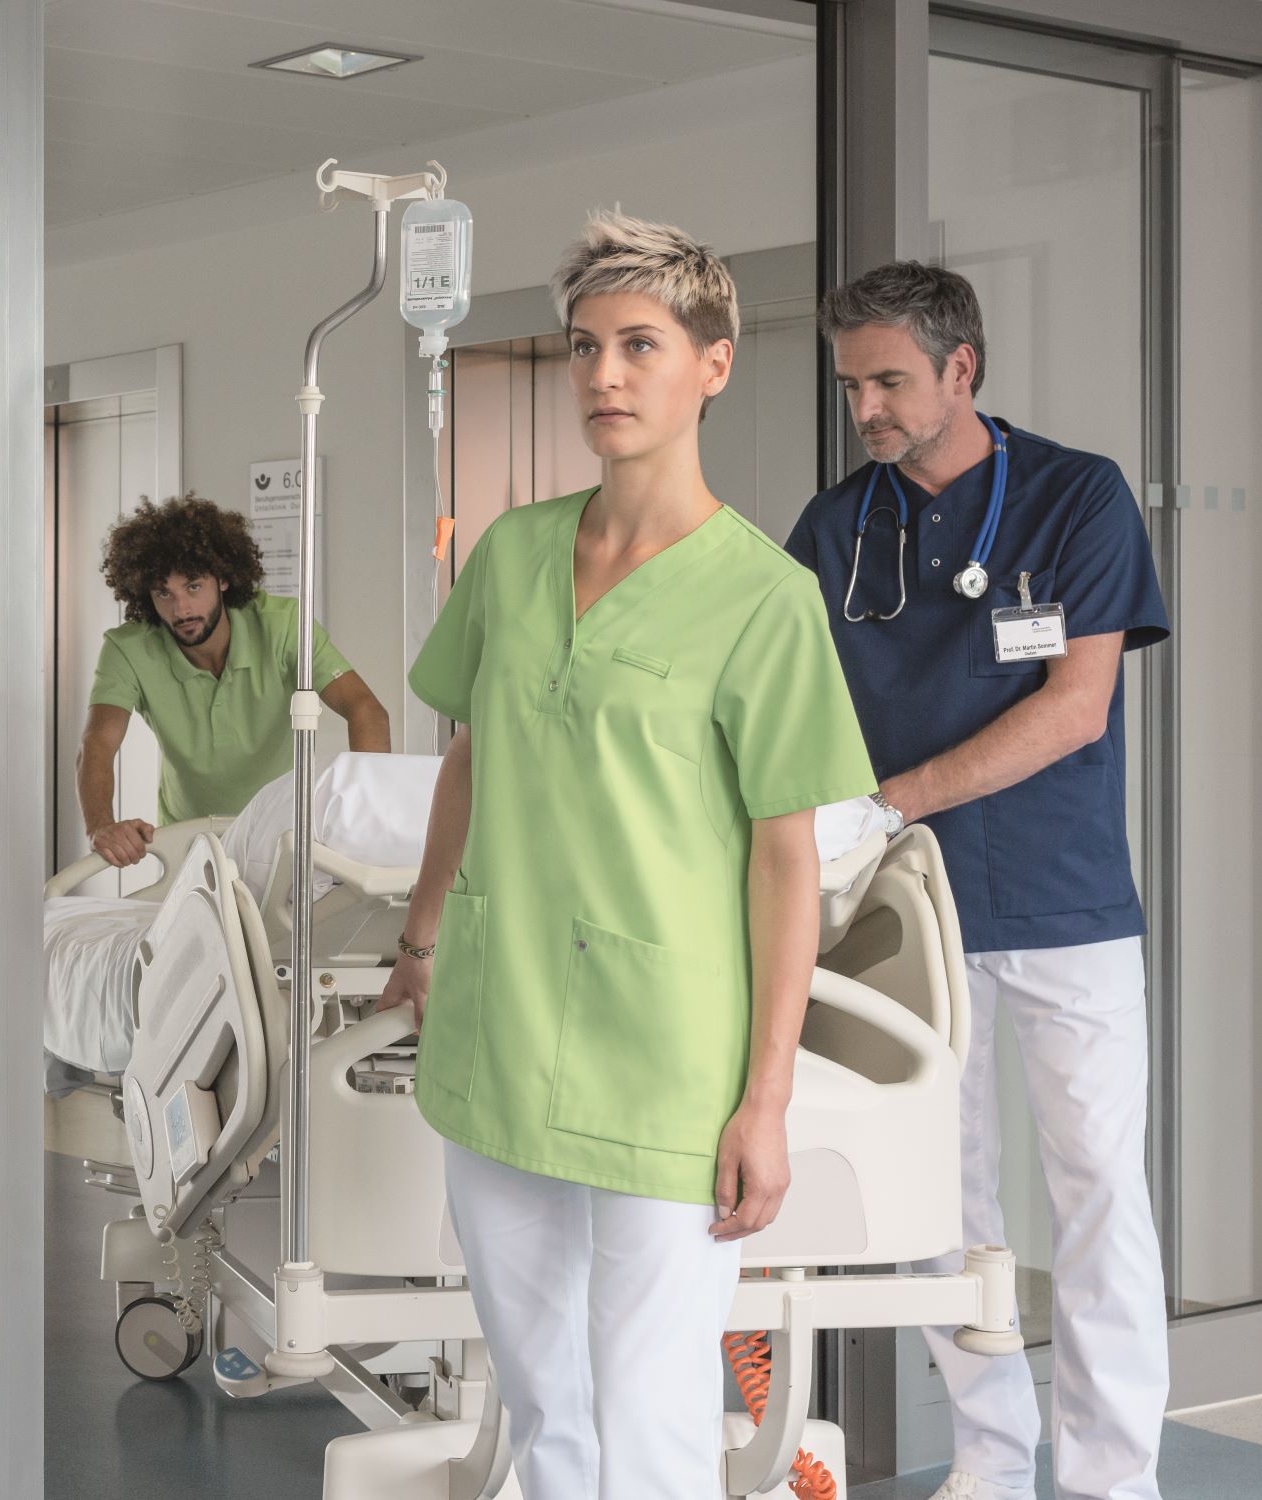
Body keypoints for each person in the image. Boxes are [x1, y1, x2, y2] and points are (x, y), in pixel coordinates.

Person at [377, 211, 876, 1499]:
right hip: (497, 1024)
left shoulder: (764, 597)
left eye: (639, 345)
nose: (603, 375)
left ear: (712, 363)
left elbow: (785, 862)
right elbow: (473, 759)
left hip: (665, 1060)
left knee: (651, 1419)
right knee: (547, 1410)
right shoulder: (513, 554)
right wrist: (422, 941)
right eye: (586, 346)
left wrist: (766, 1101)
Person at [787, 262, 1172, 1500]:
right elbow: (790, 705)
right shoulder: (838, 526)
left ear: (964, 369)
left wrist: (889, 800)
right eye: (854, 385)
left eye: (891, 380)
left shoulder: (1078, 497)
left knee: (1100, 1193)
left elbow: (1075, 709)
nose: (869, 409)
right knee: (937, 1203)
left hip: (1062, 904)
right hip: (901, 920)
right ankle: (993, 1465)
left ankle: (1113, 1481)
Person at [79, 493, 388, 867]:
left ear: (223, 579)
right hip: (191, 844)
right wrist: (101, 826)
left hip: (283, 838)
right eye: (164, 593)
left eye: (193, 586)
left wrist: (363, 815)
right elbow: (97, 743)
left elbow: (366, 709)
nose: (181, 609)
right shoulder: (127, 648)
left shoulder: (284, 625)